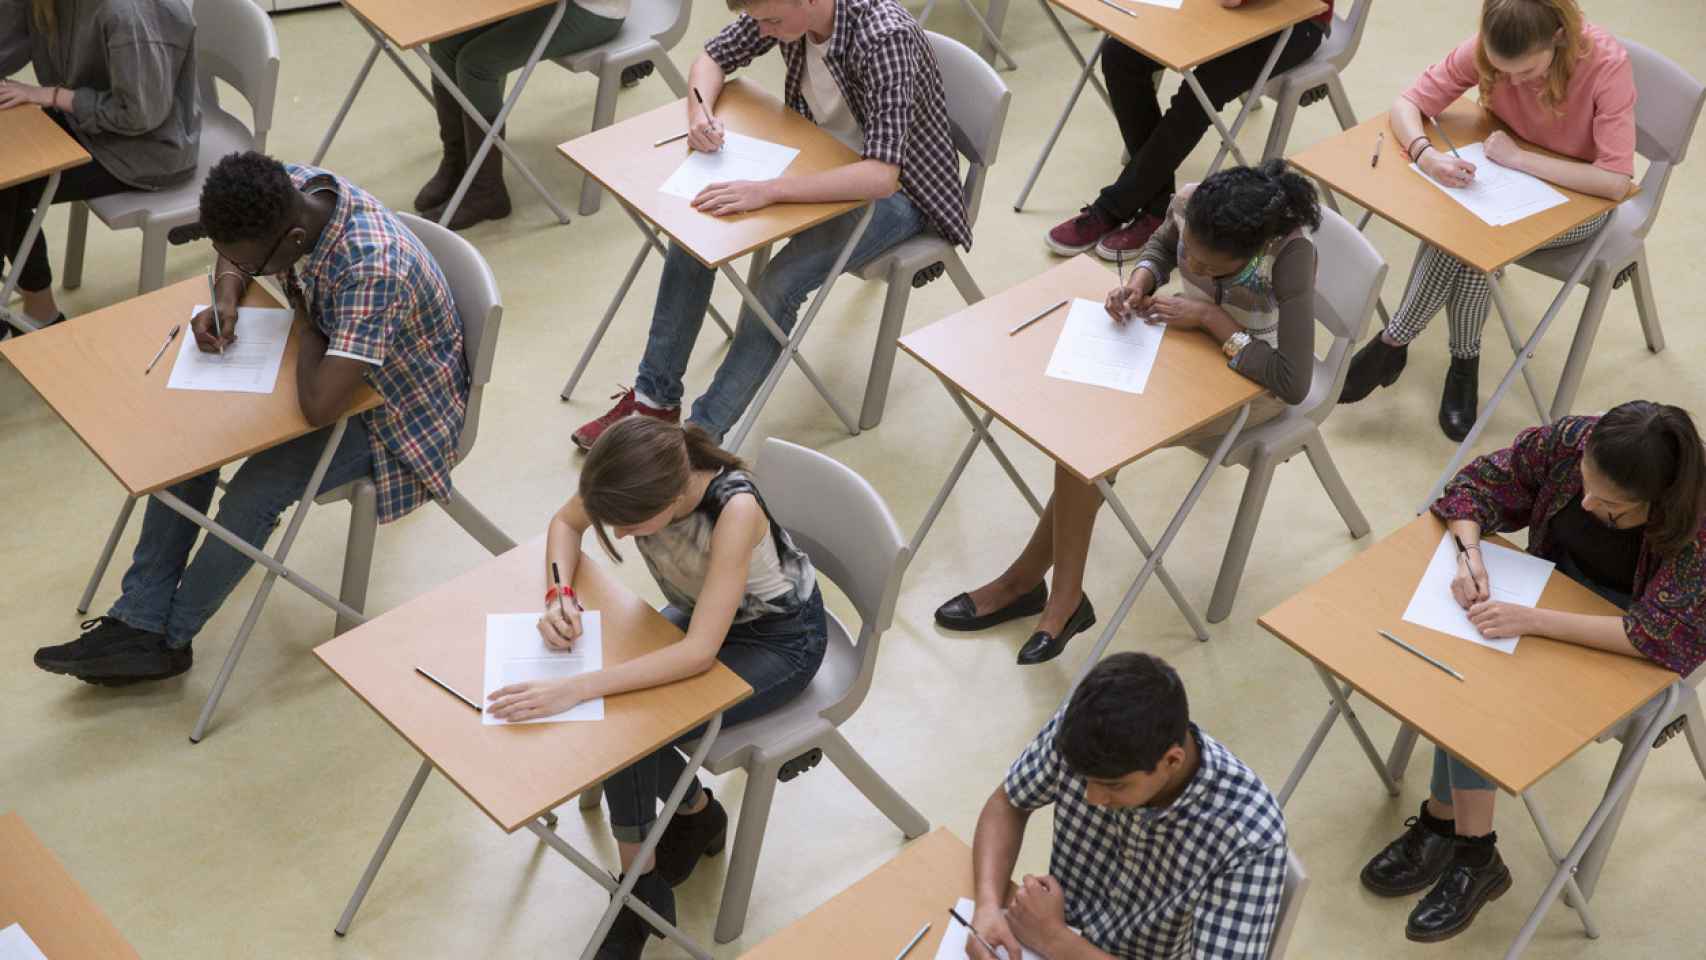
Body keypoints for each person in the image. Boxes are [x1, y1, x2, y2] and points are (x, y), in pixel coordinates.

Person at [32, 152, 468, 685]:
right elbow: (235, 258)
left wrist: (307, 325)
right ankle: (139, 619)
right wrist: (228, 295)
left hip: (397, 414)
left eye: (250, 263)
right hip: (331, 365)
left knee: (256, 492)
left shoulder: (371, 269)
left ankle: (168, 640)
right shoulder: (291, 189)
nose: (237, 263)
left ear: (292, 244)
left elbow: (321, 405)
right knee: (190, 440)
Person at [936, 161, 1320, 665]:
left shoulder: (1289, 256)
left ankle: (1036, 587)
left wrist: (1209, 317)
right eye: (1194, 262)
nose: (1196, 272)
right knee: (1089, 433)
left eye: (1209, 269)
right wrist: (1140, 280)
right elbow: (1163, 246)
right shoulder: (1191, 202)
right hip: (1182, 347)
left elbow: (1293, 382)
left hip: (1251, 382)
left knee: (1094, 439)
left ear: (1250, 251)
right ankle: (1045, 591)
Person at [1361, 401, 1706, 943]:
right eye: (1585, 487)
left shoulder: (1698, 526)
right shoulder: (1572, 443)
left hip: (1620, 644)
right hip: (1544, 595)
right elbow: (1474, 486)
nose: (1587, 502)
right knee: (1461, 670)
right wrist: (1469, 553)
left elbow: (1655, 636)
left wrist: (1531, 621)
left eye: (1610, 508)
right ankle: (1462, 839)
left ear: (1657, 504)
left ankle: (1454, 833)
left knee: (1475, 689)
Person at [486, 416, 826, 959]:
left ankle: (638, 892)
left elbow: (697, 655)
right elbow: (565, 523)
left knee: (627, 725)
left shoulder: (734, 510)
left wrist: (578, 687)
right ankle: (687, 823)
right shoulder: (634, 472)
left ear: (673, 495)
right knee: (619, 716)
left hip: (778, 641)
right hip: (705, 616)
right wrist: (559, 593)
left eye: (631, 524)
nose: (620, 535)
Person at [570, 0, 970, 451]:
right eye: (758, 20)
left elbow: (881, 175)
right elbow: (712, 58)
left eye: (771, 22)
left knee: (778, 285)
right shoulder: (780, 12)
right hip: (813, 160)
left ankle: (700, 440)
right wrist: (698, 114)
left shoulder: (883, 37)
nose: (761, 30)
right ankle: (653, 401)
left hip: (902, 194)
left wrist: (769, 190)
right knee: (694, 231)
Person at [1338, 0, 1636, 441]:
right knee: (1468, 235)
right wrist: (1426, 155)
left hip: (1578, 200)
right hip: (1503, 179)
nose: (1512, 82)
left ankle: (1395, 341)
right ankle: (1463, 362)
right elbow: (1408, 103)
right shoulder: (1490, 47)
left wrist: (1521, 160)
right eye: (1501, 70)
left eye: (1526, 72)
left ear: (1557, 36)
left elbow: (1614, 182)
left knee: (1474, 240)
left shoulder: (1606, 66)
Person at [967, 652, 1288, 959]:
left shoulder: (1250, 837)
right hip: (1055, 930)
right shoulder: (1084, 729)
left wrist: (1055, 940)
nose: (1092, 798)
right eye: (1085, 779)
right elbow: (1007, 804)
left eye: (1113, 785)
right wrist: (987, 904)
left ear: (1171, 761)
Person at [1043, 0, 1332, 262]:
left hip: (1296, 19)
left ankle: (1112, 207)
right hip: (1211, 9)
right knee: (1120, 54)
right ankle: (1158, 206)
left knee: (1204, 85)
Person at [0, 0, 198, 334]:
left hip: (145, 150)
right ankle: (38, 309)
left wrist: (52, 95)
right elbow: (8, 43)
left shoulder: (126, 13)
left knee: (9, 180)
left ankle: (37, 314)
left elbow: (140, 114)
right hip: (85, 121)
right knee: (9, 166)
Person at [415, 0, 629, 230]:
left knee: (477, 64)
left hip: (593, 10)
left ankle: (487, 190)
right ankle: (458, 162)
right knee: (444, 42)